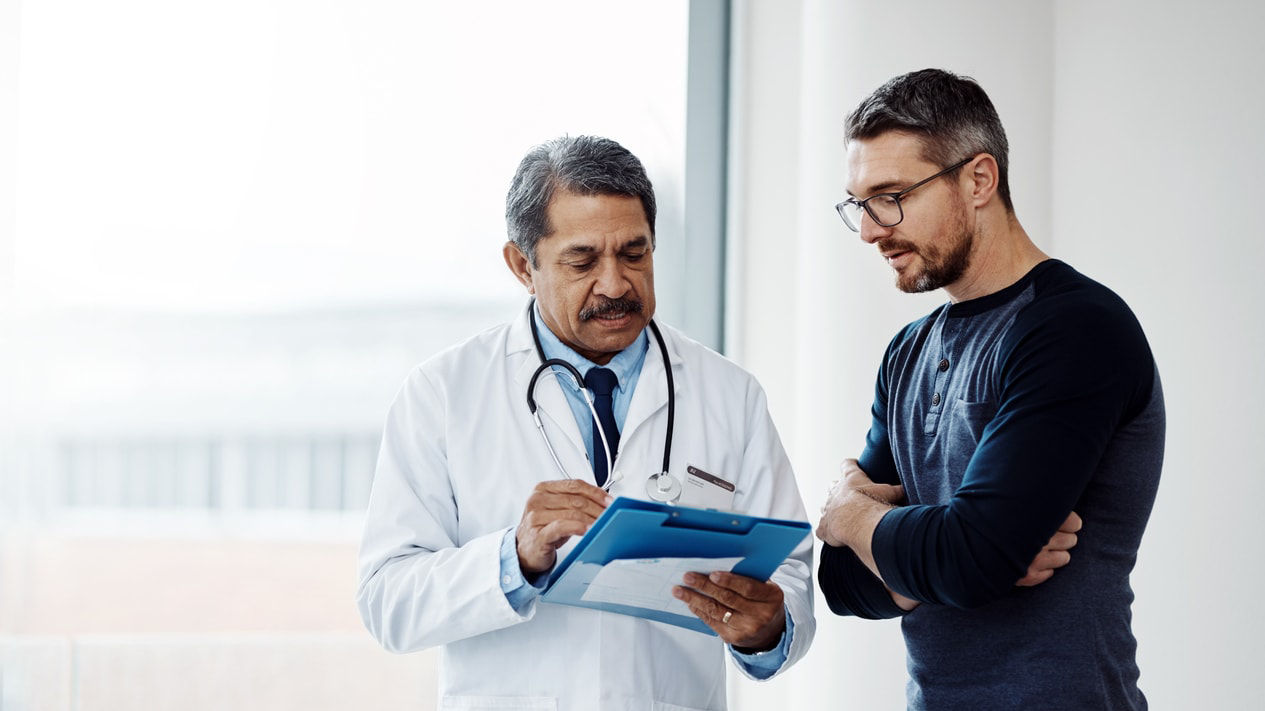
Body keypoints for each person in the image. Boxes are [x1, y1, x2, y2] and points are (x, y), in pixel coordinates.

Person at [357, 135, 814, 710]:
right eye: (582, 260)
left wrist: (767, 631)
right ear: (523, 265)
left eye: (634, 252)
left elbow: (790, 574)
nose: (616, 284)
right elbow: (388, 602)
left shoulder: (729, 393)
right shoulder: (443, 394)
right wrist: (514, 559)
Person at [816, 69, 1164, 709]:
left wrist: (852, 514)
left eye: (891, 196)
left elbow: (969, 556)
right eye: (859, 204)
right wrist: (952, 554)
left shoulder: (1075, 329)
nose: (869, 229)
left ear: (978, 179)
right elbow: (840, 581)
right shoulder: (907, 354)